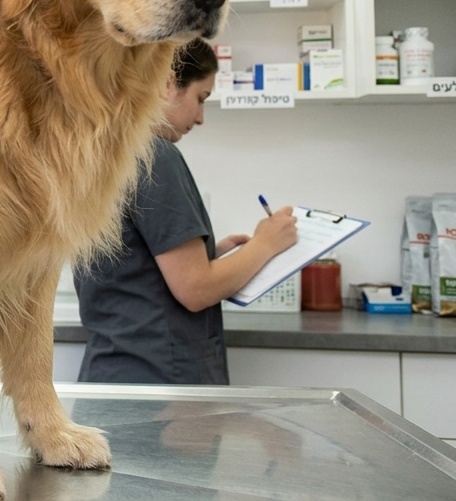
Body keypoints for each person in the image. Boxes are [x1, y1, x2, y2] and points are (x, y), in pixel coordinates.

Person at [73, 39, 299, 384]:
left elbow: (128, 266)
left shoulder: (102, 153)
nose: (200, 118)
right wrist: (266, 243)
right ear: (166, 82)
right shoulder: (155, 156)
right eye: (200, 98)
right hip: (160, 380)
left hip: (116, 369)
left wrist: (209, 253)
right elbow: (195, 290)